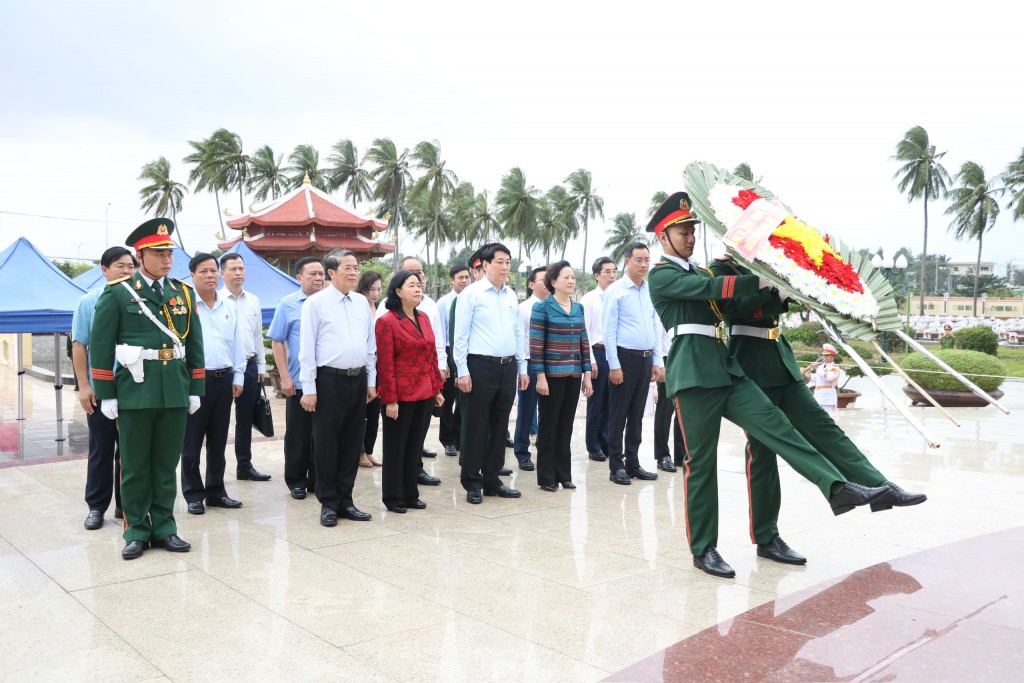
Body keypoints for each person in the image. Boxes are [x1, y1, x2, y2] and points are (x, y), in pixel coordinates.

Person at [647, 192, 889, 578]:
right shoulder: (662, 274)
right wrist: (769, 277)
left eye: (693, 231)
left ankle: (836, 488)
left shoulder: (698, 271)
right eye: (682, 232)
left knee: (779, 428)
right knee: (701, 463)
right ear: (663, 237)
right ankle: (704, 548)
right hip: (692, 374)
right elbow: (716, 291)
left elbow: (733, 301)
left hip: (726, 369)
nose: (690, 237)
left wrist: (787, 284)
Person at [708, 254, 926, 567]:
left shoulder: (769, 261)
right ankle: (767, 538)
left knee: (825, 428)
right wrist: (774, 287)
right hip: (751, 365)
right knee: (763, 455)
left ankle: (880, 486)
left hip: (781, 361)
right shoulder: (720, 268)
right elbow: (735, 309)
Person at [90, 218, 204, 560]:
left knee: (166, 465)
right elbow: (101, 345)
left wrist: (195, 387)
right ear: (140, 256)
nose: (167, 259)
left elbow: (195, 344)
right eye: (158, 253)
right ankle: (136, 530)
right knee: (135, 466)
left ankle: (165, 527)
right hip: (136, 391)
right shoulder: (118, 292)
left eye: (169, 253)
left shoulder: (183, 292)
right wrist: (106, 393)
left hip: (174, 390)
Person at [299, 249, 377, 526]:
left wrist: (371, 381)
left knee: (352, 442)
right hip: (328, 380)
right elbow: (307, 348)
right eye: (348, 268)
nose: (354, 272)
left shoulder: (361, 302)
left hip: (358, 379)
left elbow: (370, 345)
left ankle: (346, 500)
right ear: (331, 273)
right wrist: (309, 388)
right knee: (327, 443)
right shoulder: (316, 303)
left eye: (356, 267)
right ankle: (328, 502)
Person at [452, 242, 529, 504]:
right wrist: (462, 371)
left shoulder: (510, 295)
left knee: (499, 426)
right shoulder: (471, 294)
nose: (505, 267)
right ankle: (472, 481)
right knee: (476, 425)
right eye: (500, 262)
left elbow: (518, 334)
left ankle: (492, 479)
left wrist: (522, 367)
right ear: (485, 265)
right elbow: (460, 336)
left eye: (508, 262)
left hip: (508, 367)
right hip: (479, 366)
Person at [73, 246, 135, 530]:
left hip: (133, 389)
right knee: (101, 449)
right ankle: (96, 507)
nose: (126, 271)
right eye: (120, 266)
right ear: (105, 270)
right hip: (100, 390)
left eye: (130, 266)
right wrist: (84, 386)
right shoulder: (89, 302)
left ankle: (125, 505)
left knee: (130, 451)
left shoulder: (139, 301)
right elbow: (79, 345)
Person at [180, 253, 246, 516]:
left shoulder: (228, 306)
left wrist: (238, 376)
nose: (209, 275)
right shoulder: (184, 306)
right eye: (203, 271)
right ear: (192, 275)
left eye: (213, 271)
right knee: (192, 441)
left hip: (224, 379)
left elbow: (237, 344)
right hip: (196, 381)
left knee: (218, 441)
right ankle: (193, 494)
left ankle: (216, 491)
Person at [376, 271, 445, 512]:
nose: (418, 289)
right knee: (396, 448)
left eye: (419, 285)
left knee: (414, 447)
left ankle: (410, 494)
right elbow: (385, 364)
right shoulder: (386, 322)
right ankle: (394, 497)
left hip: (424, 392)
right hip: (400, 395)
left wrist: (436, 388)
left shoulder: (423, 317)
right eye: (411, 285)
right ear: (398, 291)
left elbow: (431, 356)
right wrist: (390, 400)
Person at [603, 243, 663, 485]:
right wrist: (614, 365)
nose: (644, 264)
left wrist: (656, 360)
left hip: (645, 359)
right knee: (618, 414)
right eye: (639, 259)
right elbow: (608, 331)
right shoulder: (616, 291)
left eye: (647, 259)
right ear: (627, 261)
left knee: (637, 414)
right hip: (624, 358)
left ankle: (633, 462)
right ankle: (616, 465)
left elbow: (654, 326)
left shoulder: (650, 290)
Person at [530, 261, 593, 491]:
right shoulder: (542, 308)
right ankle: (547, 477)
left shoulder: (578, 308)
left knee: (566, 425)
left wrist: (587, 374)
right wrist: (540, 376)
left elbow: (584, 342)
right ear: (553, 281)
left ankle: (564, 474)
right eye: (566, 277)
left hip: (573, 375)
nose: (571, 281)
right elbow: (536, 345)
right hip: (551, 376)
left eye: (573, 277)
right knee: (549, 425)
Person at [267, 256, 325, 500]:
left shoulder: (329, 303)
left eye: (321, 273)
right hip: (299, 381)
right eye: (312, 274)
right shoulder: (288, 304)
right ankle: (297, 480)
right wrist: (285, 377)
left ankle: (318, 479)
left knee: (322, 435)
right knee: (298, 434)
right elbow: (277, 341)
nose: (318, 278)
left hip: (327, 381)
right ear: (299, 278)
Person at [219, 252, 272, 481]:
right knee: (218, 420)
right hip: (223, 367)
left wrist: (261, 366)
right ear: (222, 273)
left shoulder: (253, 300)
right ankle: (215, 470)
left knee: (246, 418)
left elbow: (257, 335)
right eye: (233, 269)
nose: (238, 273)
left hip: (249, 366)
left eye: (241, 268)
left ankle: (244, 465)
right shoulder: (216, 300)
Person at [580, 256, 616, 462]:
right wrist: (591, 360)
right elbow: (584, 332)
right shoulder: (589, 299)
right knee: (596, 402)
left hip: (614, 354)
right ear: (596, 276)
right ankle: (593, 445)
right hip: (598, 352)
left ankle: (606, 442)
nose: (612, 276)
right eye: (607, 272)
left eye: (614, 271)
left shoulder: (617, 296)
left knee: (611, 402)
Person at [513, 266, 548, 471]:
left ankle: (545, 447)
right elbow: (519, 338)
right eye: (543, 279)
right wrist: (522, 370)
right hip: (530, 362)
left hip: (551, 364)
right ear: (532, 284)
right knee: (527, 410)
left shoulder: (555, 306)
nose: (547, 282)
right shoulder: (525, 308)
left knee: (548, 410)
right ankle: (522, 452)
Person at [436, 264, 471, 456]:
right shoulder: (443, 303)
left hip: (468, 352)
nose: (464, 281)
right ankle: (447, 439)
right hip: (449, 351)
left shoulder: (473, 298)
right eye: (460, 278)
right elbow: (440, 333)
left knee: (465, 397)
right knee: (448, 398)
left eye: (467, 277)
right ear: (452, 280)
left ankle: (459, 435)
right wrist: (443, 361)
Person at [358, 270, 384, 468]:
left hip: (379, 365)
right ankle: (359, 452)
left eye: (378, 289)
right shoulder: (357, 307)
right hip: (362, 365)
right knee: (361, 412)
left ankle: (369, 450)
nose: (375, 294)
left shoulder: (383, 308)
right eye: (371, 289)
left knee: (375, 412)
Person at [652, 320, 685, 472]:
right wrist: (660, 365)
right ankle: (662, 455)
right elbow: (657, 337)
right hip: (667, 359)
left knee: (683, 409)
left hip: (683, 358)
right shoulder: (664, 309)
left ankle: (681, 454)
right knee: (665, 410)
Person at [804, 343, 842, 413]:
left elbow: (828, 377)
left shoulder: (835, 368)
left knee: (828, 417)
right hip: (818, 396)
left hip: (828, 399)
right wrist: (806, 375)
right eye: (823, 355)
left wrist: (817, 368)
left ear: (832, 357)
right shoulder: (821, 367)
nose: (824, 357)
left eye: (827, 355)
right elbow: (816, 379)